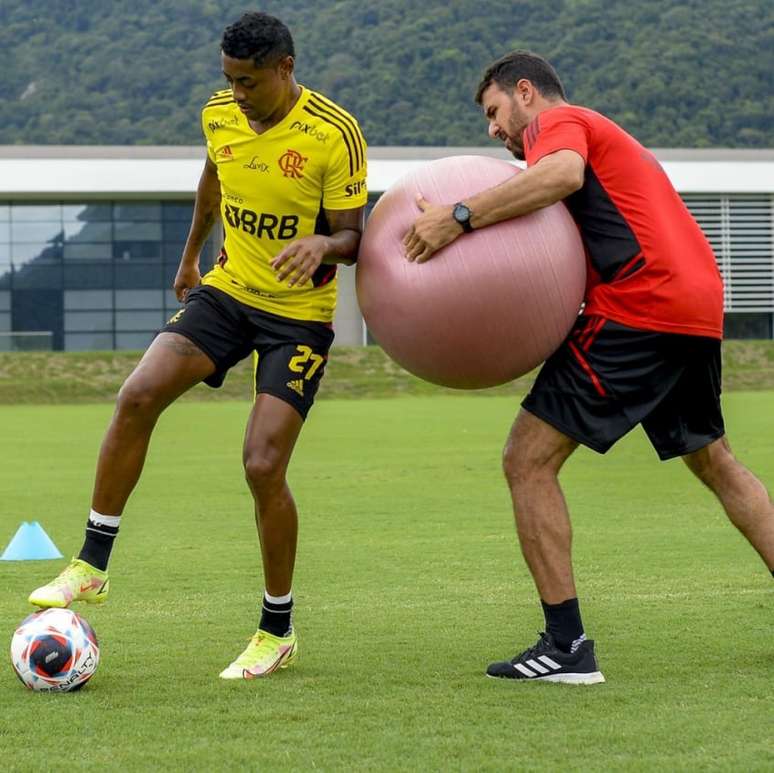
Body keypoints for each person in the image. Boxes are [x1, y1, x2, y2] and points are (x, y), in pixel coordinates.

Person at [404, 51, 774, 684]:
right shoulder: (605, 137)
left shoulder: (562, 123)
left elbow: (563, 176)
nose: (494, 130)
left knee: (527, 459)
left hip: (641, 304)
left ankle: (565, 646)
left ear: (526, 93)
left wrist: (459, 216)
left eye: (494, 112)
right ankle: (565, 646)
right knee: (715, 461)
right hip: (693, 306)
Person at [28, 11, 367, 680]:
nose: (236, 93)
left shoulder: (335, 133)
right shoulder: (218, 115)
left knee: (262, 464)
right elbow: (212, 182)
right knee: (137, 395)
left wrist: (323, 242)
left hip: (298, 316)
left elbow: (354, 234)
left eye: (248, 81)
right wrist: (189, 260)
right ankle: (93, 563)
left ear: (284, 69)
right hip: (228, 291)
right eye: (228, 80)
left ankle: (276, 630)